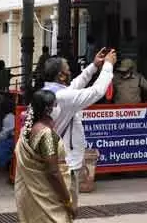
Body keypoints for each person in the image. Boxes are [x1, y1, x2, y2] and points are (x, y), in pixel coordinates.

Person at [42, 48, 115, 208]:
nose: (70, 73)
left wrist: (94, 66)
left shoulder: (50, 92)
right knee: (64, 211)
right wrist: (108, 66)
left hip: (57, 162)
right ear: (61, 76)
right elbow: (96, 92)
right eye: (67, 70)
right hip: (64, 165)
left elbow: (75, 85)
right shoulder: (62, 97)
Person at [14, 90, 75, 223]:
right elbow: (53, 172)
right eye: (55, 105)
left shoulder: (27, 129)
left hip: (30, 196)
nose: (57, 108)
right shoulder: (46, 135)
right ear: (48, 109)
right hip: (47, 200)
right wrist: (67, 201)